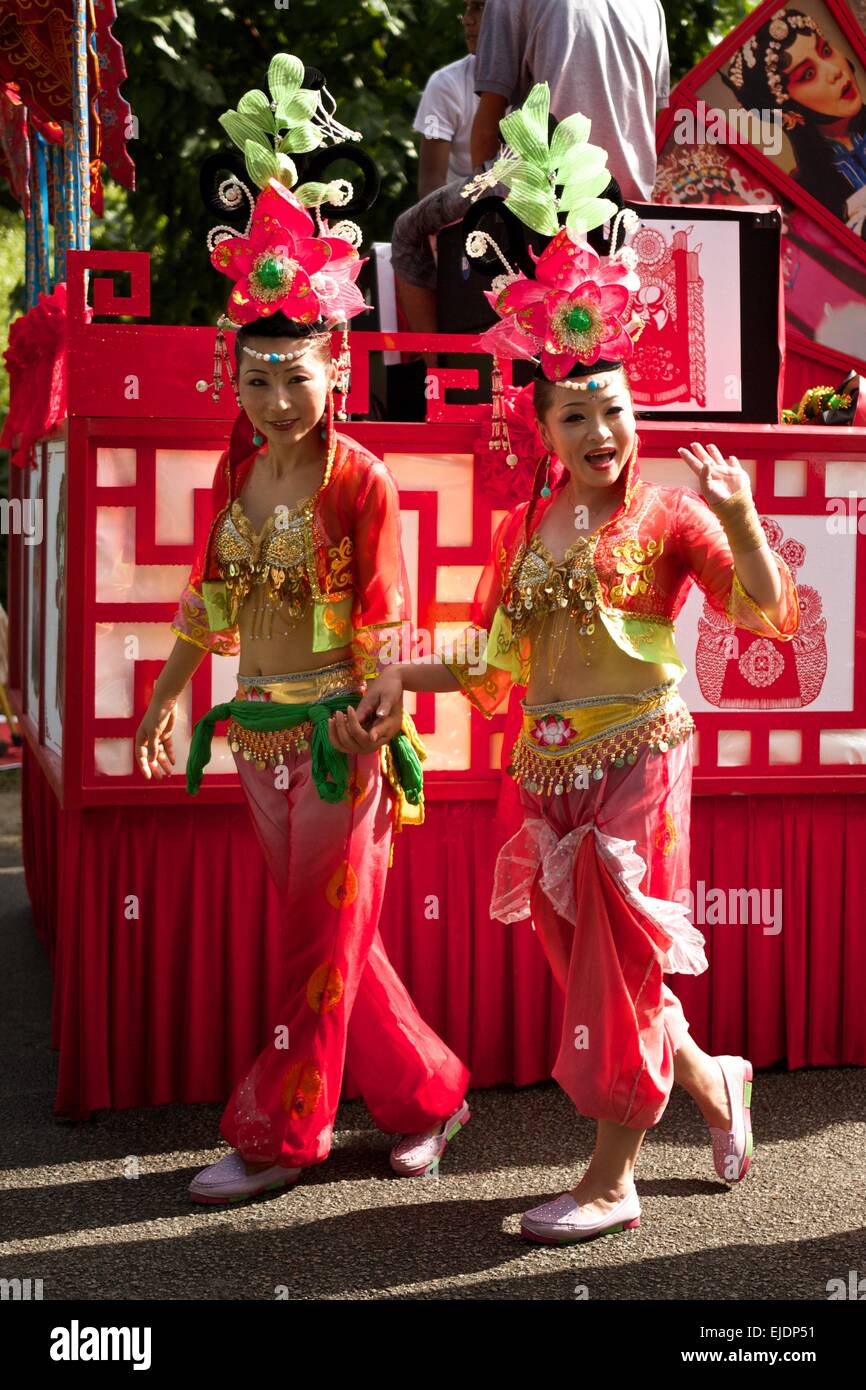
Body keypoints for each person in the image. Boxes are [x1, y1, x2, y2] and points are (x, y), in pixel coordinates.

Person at [358, 90, 801, 1244]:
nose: (597, 434)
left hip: (640, 764)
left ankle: (610, 1179)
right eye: (572, 416)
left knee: (614, 975)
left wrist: (743, 517)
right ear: (542, 426)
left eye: (610, 410)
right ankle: (714, 1081)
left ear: (630, 412)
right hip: (543, 776)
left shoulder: (665, 519)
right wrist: (396, 675)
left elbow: (765, 616)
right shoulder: (522, 532)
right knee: (594, 975)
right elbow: (491, 669)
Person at [134, 93, 471, 1204]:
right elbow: (208, 593)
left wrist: (381, 714)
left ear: (333, 362)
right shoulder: (239, 474)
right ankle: (429, 1094)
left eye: (295, 377)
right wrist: (169, 695)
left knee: (308, 950)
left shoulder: (357, 479)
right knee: (328, 939)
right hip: (258, 730)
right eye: (255, 379)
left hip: (337, 734)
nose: (276, 401)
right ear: (234, 377)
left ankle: (281, 1135)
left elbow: (387, 611)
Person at [471, 0, 670, 202]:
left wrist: (485, 216)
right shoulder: (651, 6)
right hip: (628, 215)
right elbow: (648, 121)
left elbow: (488, 129)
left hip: (543, 213)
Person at [721, 7, 866, 238]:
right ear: (787, 107)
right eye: (808, 74)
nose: (834, 72)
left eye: (826, 50)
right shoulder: (805, 191)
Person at [413, 0, 486, 196]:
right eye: (467, 7)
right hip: (462, 217)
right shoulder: (444, 85)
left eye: (480, 7)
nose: (467, 20)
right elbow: (431, 185)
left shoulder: (539, 76)